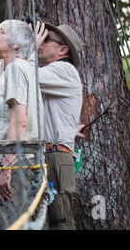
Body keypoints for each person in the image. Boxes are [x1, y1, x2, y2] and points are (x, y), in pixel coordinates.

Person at [0, 19, 43, 230]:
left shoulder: (16, 69)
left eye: (1, 32)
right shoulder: (12, 70)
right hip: (16, 162)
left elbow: (19, 121)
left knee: (1, 224)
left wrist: (5, 169)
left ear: (16, 44)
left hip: (10, 165)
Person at [29, 20, 83, 230]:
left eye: (46, 38)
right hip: (48, 155)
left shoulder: (64, 70)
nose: (41, 42)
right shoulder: (50, 74)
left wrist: (31, 46)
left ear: (63, 50)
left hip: (55, 156)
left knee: (60, 220)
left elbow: (27, 76)